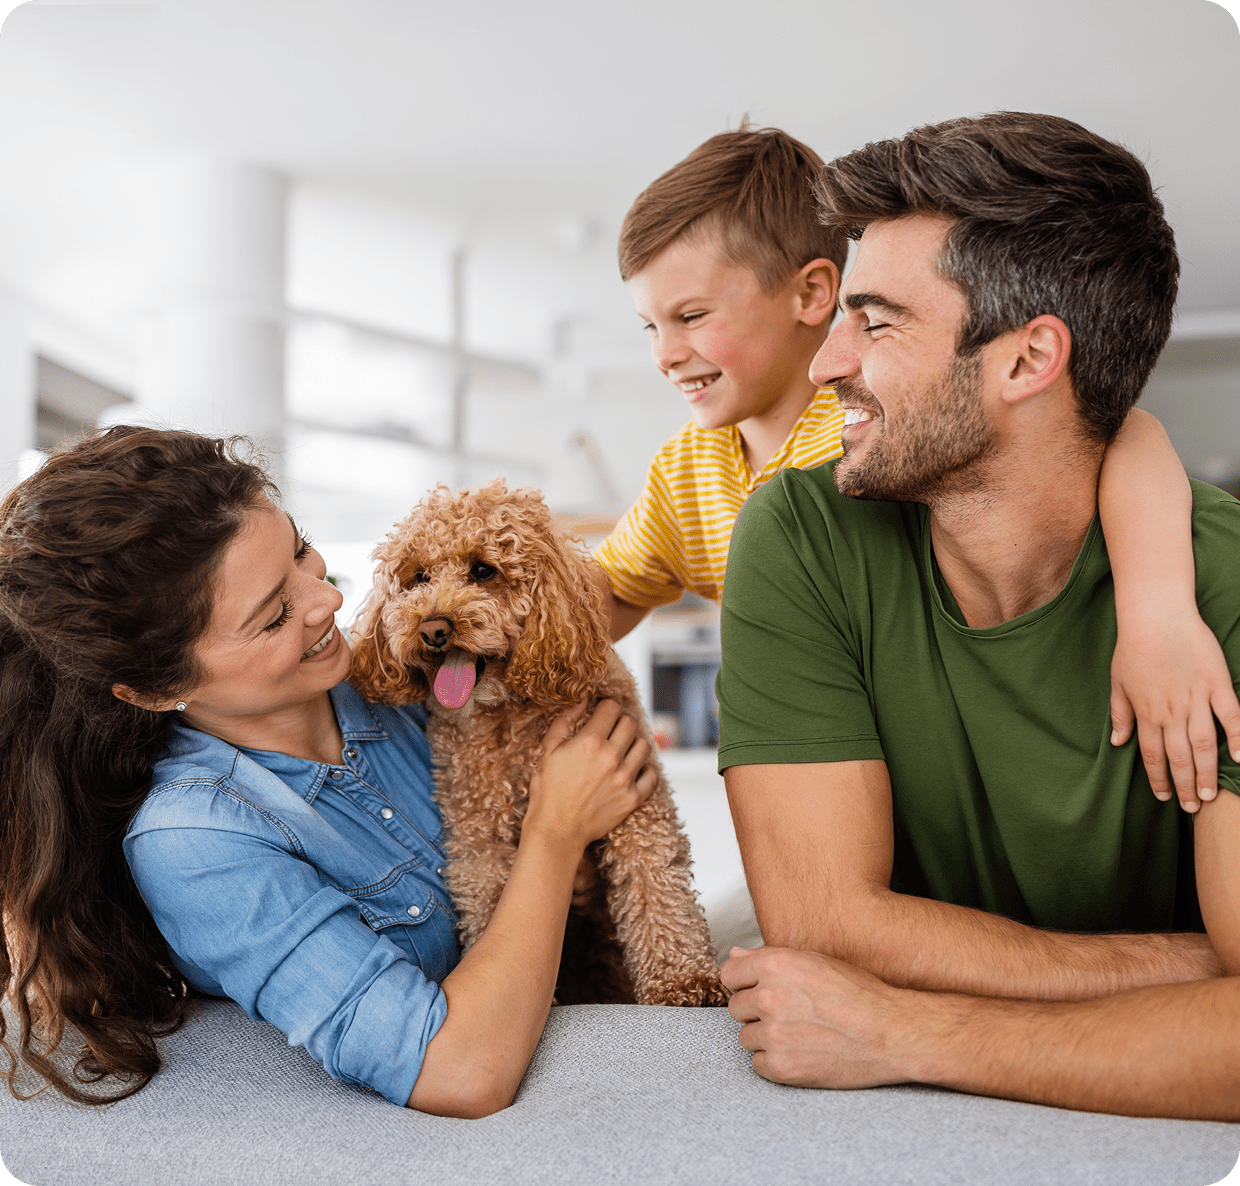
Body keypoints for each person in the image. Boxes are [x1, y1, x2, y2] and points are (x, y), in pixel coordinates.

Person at [715, 112, 1240, 1120]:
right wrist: (1193, 973)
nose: (824, 366)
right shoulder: (798, 533)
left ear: (1025, 360)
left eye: (875, 321)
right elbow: (822, 926)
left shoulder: (1214, 583)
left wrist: (906, 1029)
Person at [0, 426, 655, 1116]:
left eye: (301, 550)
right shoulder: (195, 839)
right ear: (156, 688)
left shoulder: (410, 676)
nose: (328, 601)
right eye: (275, 616)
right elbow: (458, 1071)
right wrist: (556, 832)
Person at [593, 123, 1237, 811]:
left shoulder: (884, 426)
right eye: (649, 326)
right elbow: (602, 594)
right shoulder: (686, 472)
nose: (664, 353)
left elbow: (1122, 436)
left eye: (690, 315)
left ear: (811, 295)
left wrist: (1157, 610)